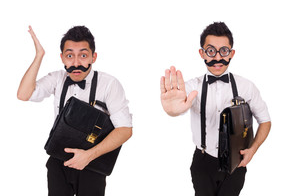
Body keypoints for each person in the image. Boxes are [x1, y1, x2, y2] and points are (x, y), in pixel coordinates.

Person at [17, 25, 133, 196]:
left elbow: (125, 130)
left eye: (83, 55)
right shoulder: (57, 79)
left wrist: (88, 156)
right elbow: (23, 94)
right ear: (62, 58)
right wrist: (39, 56)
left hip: (92, 165)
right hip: (58, 162)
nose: (76, 63)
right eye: (70, 55)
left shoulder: (109, 84)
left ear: (93, 57)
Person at [160, 22, 271, 196]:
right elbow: (177, 106)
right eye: (211, 51)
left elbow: (265, 120)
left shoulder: (247, 87)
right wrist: (171, 110)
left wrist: (253, 150)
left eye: (224, 51)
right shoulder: (191, 87)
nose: (217, 57)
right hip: (203, 162)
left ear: (231, 53)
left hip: (236, 162)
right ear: (202, 53)